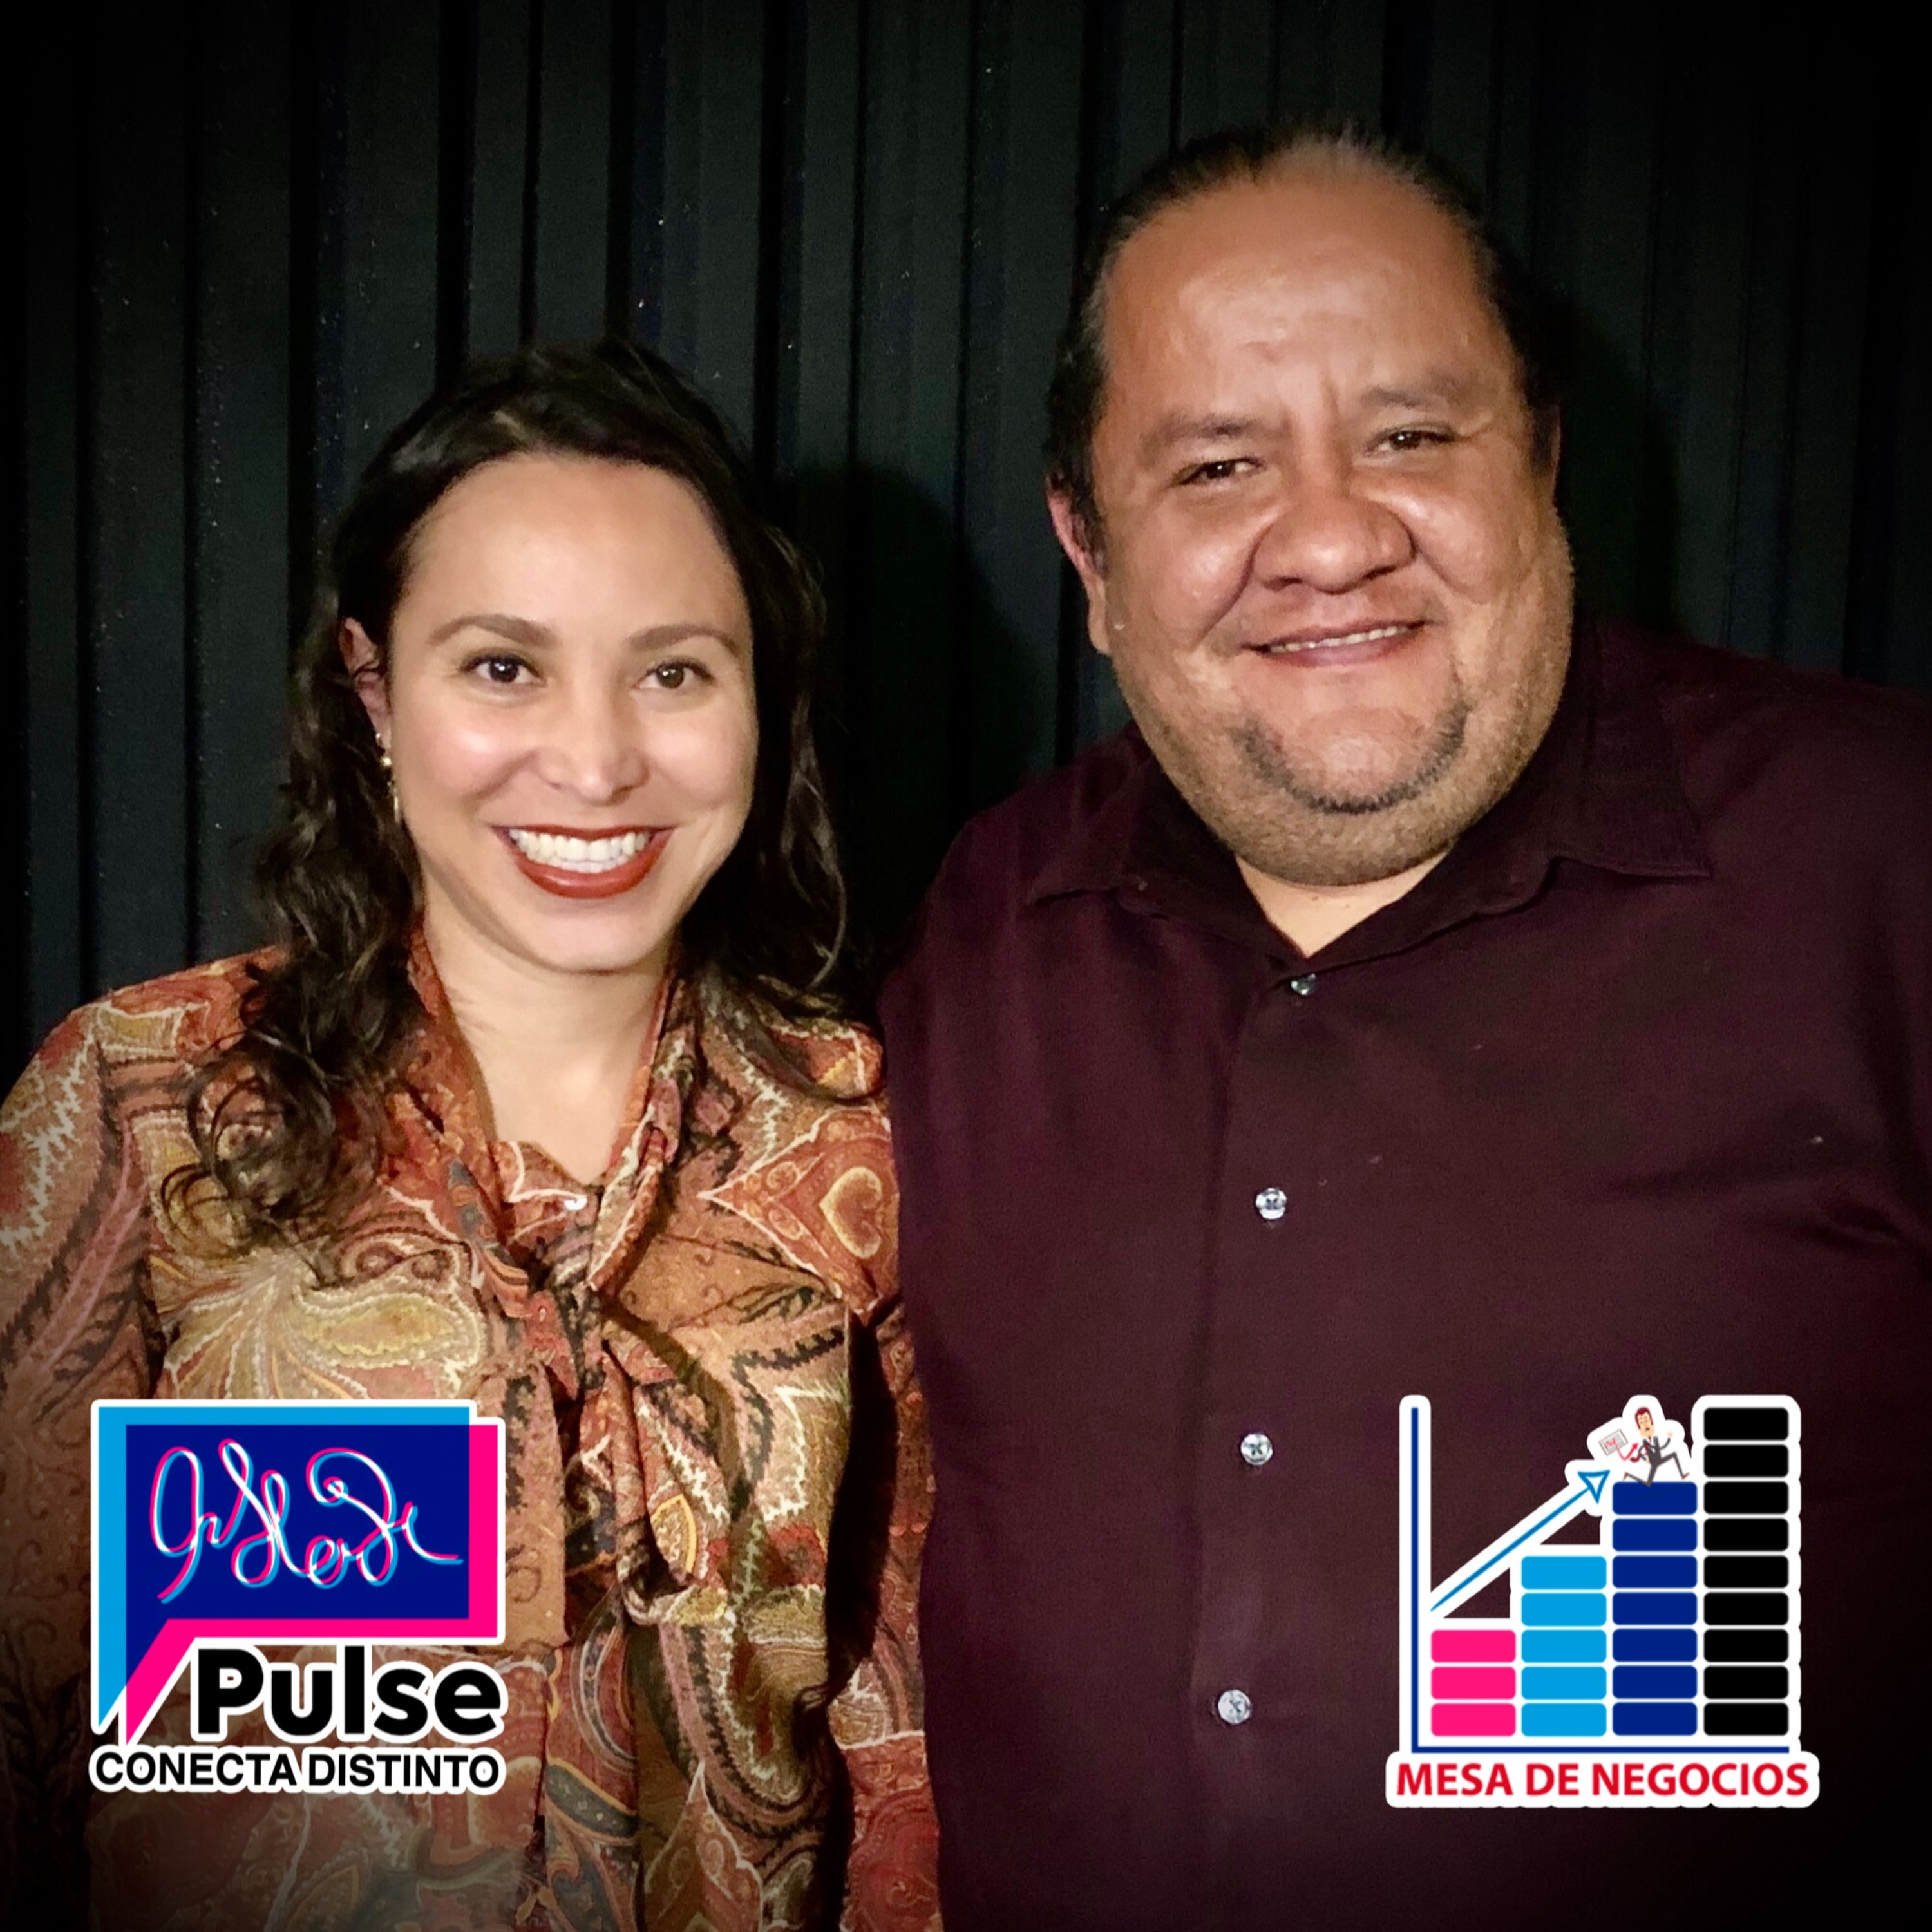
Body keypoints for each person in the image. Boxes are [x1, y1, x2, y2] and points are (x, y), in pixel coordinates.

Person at [880, 124, 1932, 1926]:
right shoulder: (977, 927)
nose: (1332, 537)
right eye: (1219, 465)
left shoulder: (1887, 863)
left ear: (1544, 463)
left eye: (1412, 438)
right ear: (1089, 548)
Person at [0, 343, 938, 1931]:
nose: (596, 761)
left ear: (760, 705)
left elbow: (903, 1749)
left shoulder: (876, 1140)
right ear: (373, 690)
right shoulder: (145, 1103)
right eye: (504, 666)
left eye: (675, 673)